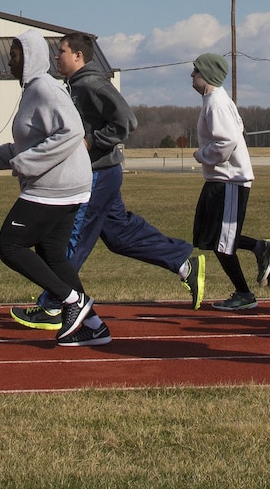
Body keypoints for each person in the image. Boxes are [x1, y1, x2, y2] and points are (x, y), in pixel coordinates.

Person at [10, 33, 205, 330]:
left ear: (78, 55)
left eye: (61, 52)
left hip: (98, 173)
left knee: (72, 237)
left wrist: (91, 143)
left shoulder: (92, 83)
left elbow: (127, 121)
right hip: (101, 172)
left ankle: (53, 304)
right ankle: (182, 261)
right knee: (119, 235)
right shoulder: (74, 85)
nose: (55, 57)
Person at [0, 32, 104, 345]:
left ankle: (71, 301)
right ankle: (94, 327)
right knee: (52, 254)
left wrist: (26, 164)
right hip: (66, 185)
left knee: (10, 246)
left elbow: (71, 131)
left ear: (30, 57)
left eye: (14, 54)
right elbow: (31, 144)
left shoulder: (45, 88)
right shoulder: (33, 91)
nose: (9, 60)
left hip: (56, 186)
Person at [190, 53, 270, 312]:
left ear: (206, 74)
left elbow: (227, 141)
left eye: (195, 70)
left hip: (229, 180)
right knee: (206, 236)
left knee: (222, 244)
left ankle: (244, 294)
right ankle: (259, 247)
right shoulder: (215, 102)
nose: (191, 75)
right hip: (220, 179)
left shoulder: (217, 103)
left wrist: (202, 155)